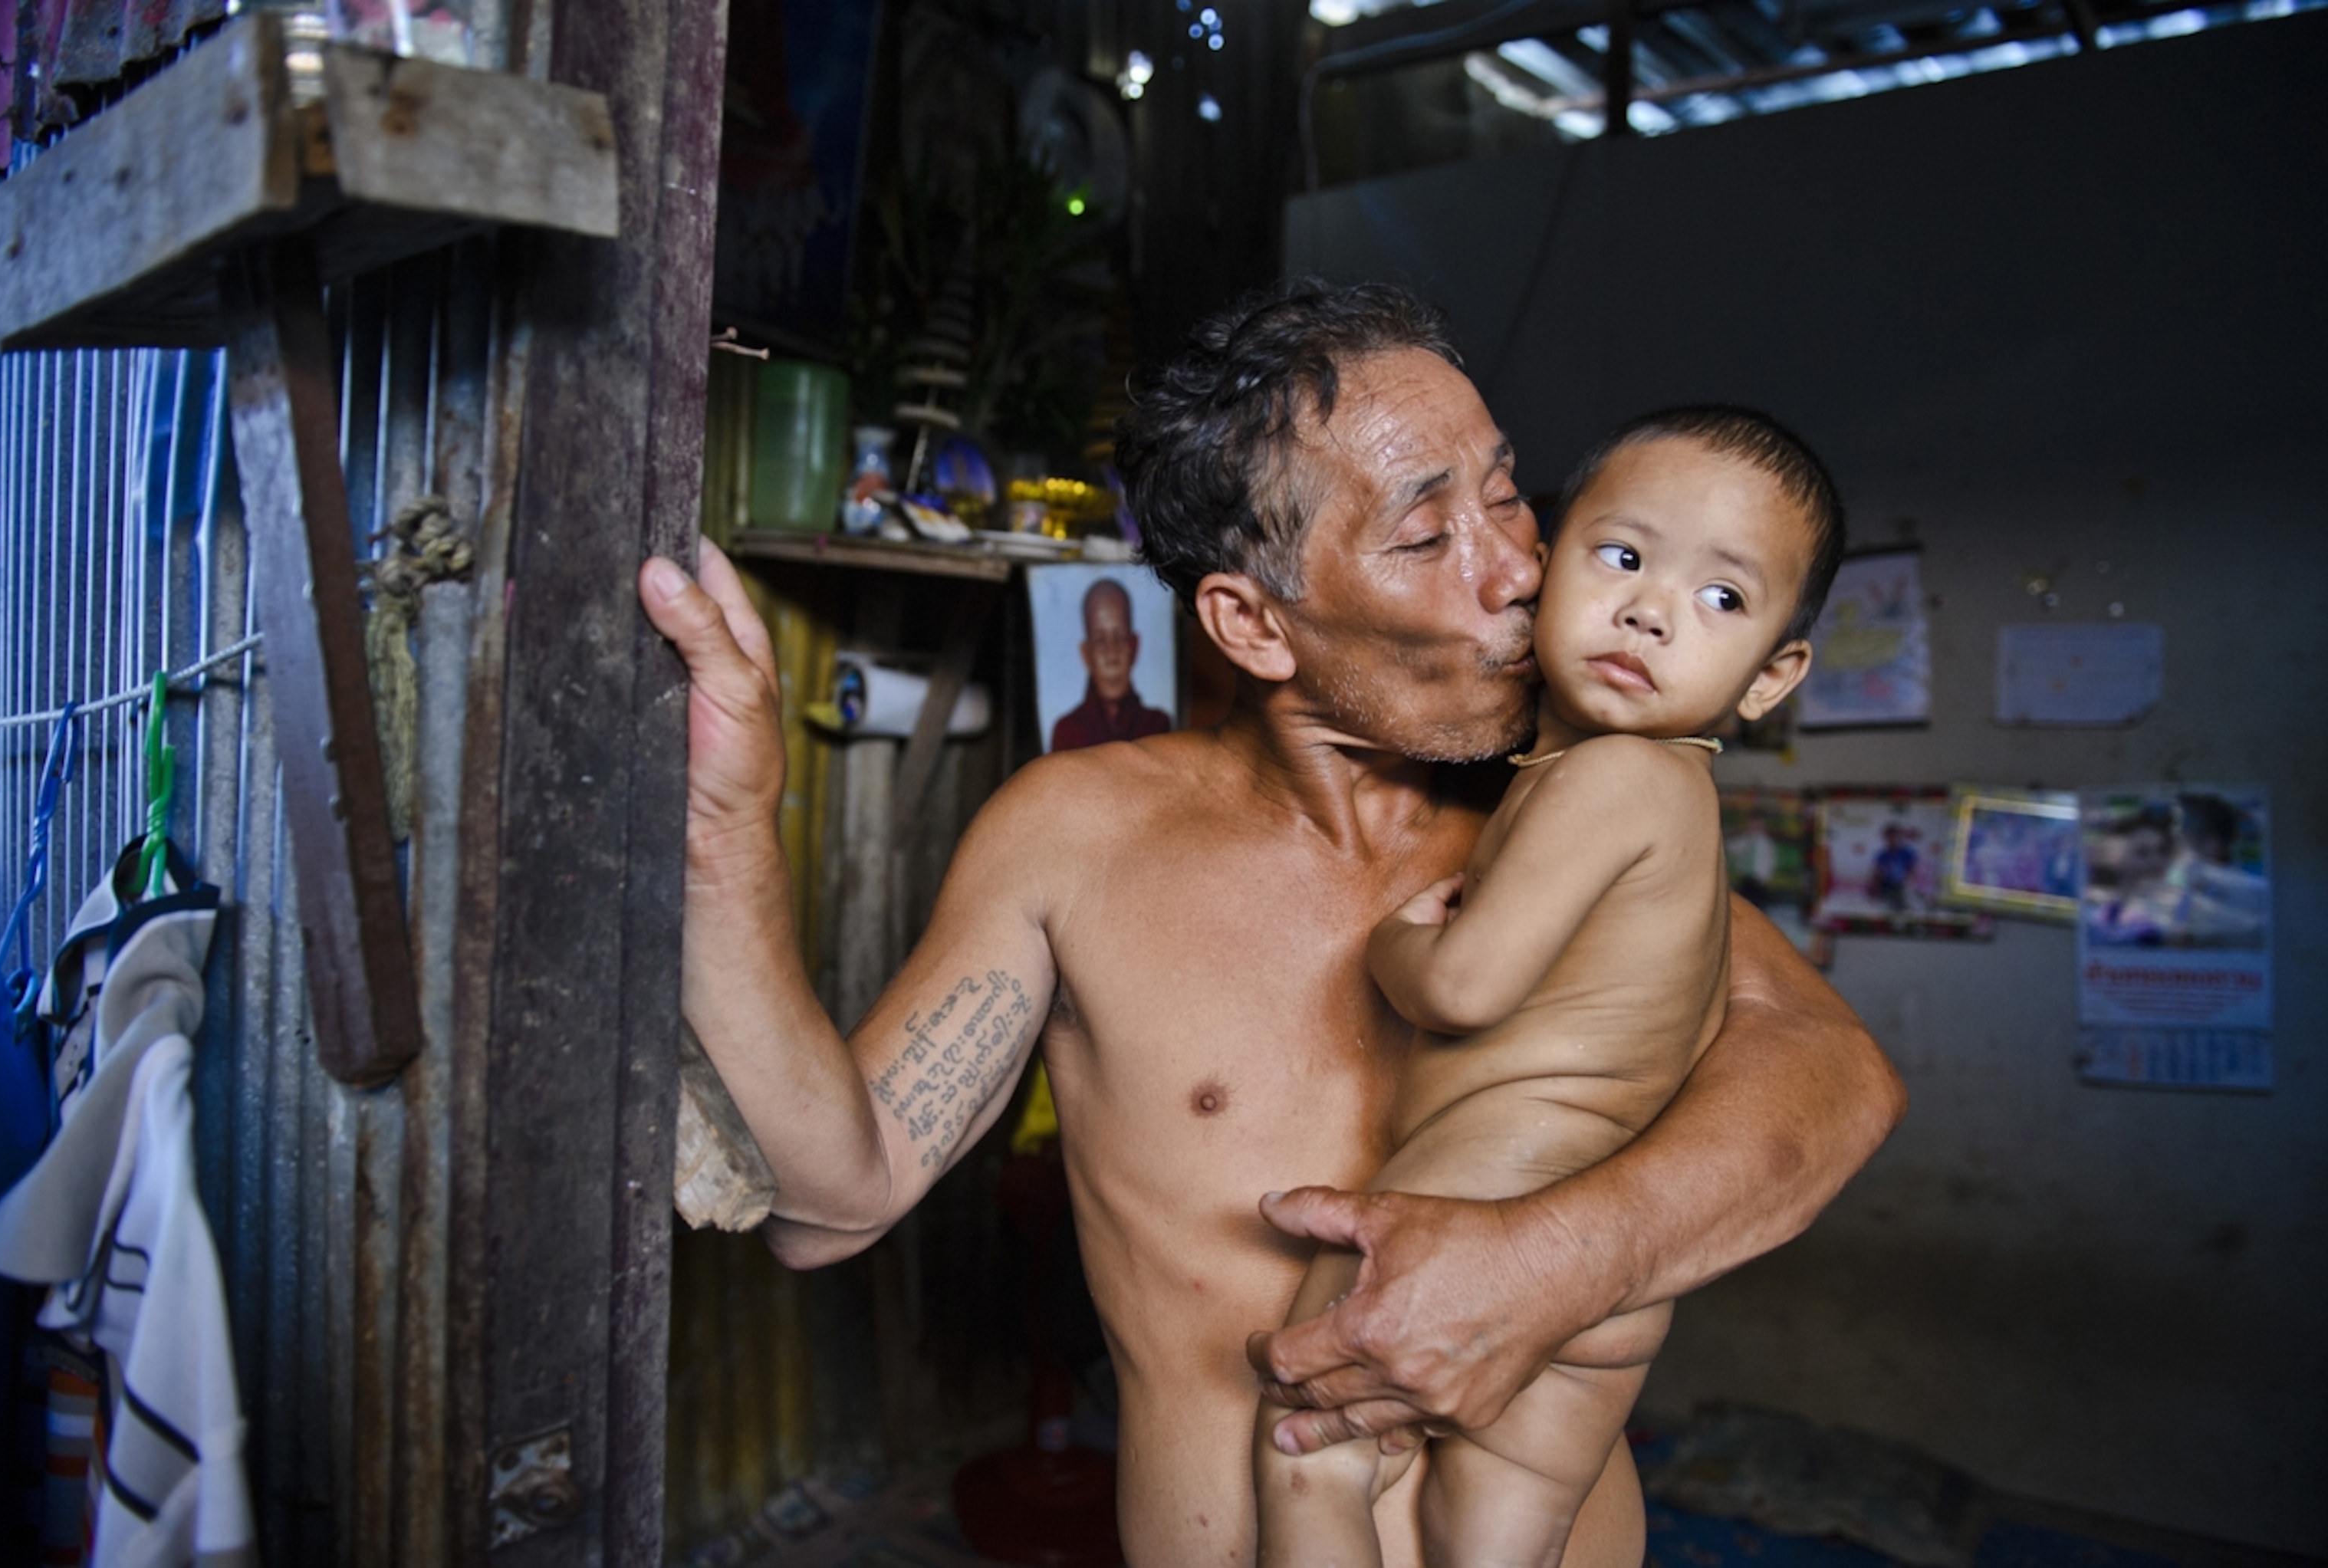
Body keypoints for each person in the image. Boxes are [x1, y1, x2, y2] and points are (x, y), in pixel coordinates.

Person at [637, 279, 1905, 1568]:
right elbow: (830, 1199)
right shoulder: (1080, 840)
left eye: (1508, 494)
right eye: (1428, 535)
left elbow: (1837, 1076)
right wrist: (724, 835)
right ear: (1252, 623)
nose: (1521, 570)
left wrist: (1558, 1261)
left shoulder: (1564, 809)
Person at [1253, 406, 1840, 1568]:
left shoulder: (1614, 777)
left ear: (1772, 676)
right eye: (1622, 555)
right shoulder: (1673, 807)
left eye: (1722, 597)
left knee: (1309, 1447)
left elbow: (1464, 986)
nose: (1651, 610)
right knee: (1500, 1532)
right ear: (1543, 568)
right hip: (1607, 1298)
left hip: (1484, 1197)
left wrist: (1393, 944)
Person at [1050, 577, 1173, 751]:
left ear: (1134, 646)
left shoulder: (1157, 725)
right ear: (1086, 653)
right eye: (1100, 641)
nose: (1111, 654)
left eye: (1120, 637)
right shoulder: (1068, 732)